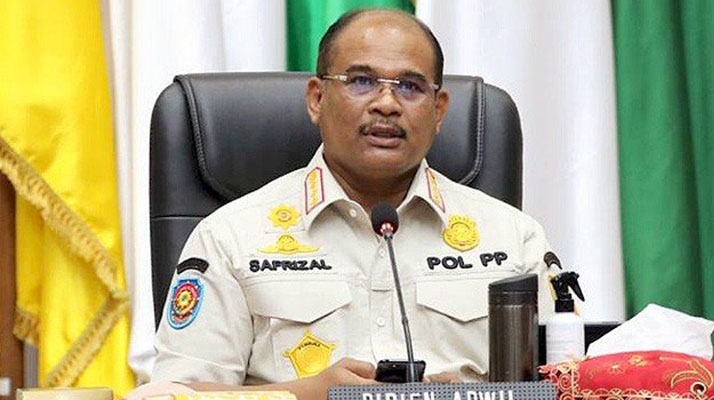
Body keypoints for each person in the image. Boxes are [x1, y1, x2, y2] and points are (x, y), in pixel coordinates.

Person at [144, 8, 554, 400]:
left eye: (410, 87)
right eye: (361, 81)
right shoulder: (230, 237)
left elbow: (573, 383)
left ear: (439, 110)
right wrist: (307, 395)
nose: (387, 104)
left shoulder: (514, 239)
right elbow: (171, 395)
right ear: (317, 99)